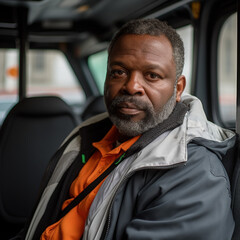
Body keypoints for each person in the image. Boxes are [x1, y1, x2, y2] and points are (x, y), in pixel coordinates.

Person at [17, 19, 235, 240]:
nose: (131, 86)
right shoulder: (87, 136)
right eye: (118, 72)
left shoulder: (194, 174)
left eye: (152, 75)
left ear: (177, 89)